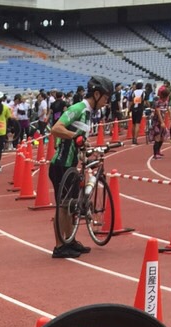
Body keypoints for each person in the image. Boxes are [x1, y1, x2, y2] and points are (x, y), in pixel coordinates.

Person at [48, 75, 113, 260]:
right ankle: (60, 246)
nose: (107, 102)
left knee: (70, 205)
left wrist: (83, 146)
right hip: (61, 165)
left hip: (71, 164)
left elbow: (77, 138)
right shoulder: (78, 108)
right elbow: (56, 128)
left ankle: (69, 241)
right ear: (97, 94)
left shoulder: (89, 112)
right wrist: (75, 137)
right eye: (106, 98)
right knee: (63, 207)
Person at [149, 85, 169, 160]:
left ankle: (158, 151)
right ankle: (155, 154)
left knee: (162, 137)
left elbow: (167, 110)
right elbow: (158, 112)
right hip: (156, 122)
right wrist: (162, 122)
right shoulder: (158, 102)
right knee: (157, 137)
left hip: (162, 121)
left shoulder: (166, 102)